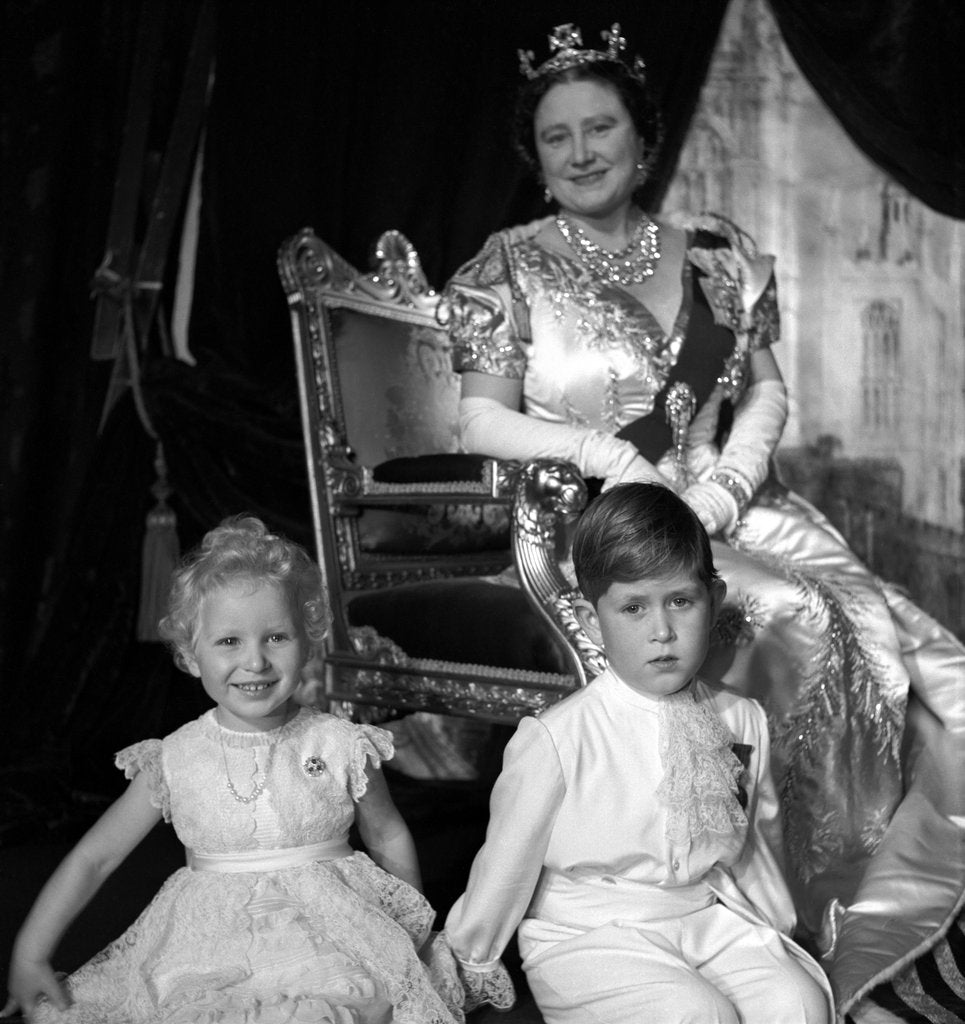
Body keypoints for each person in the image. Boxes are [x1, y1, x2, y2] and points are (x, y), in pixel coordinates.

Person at [441, 21, 965, 1019]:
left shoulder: (717, 254)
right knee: (779, 617)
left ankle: (870, 895)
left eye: (602, 128)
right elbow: (477, 415)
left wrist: (725, 484)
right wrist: (604, 453)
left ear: (644, 138)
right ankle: (797, 903)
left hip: (732, 498)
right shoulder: (504, 266)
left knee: (889, 630)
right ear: (535, 157)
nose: (583, 152)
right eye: (558, 138)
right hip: (603, 518)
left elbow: (764, 392)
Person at [2, 516, 463, 1024]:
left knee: (340, 1005)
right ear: (189, 654)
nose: (256, 661)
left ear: (307, 642)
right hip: (208, 946)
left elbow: (386, 832)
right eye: (228, 642)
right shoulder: (176, 757)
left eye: (276, 637)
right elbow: (95, 857)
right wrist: (31, 952)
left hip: (328, 937)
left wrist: (407, 930)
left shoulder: (339, 743)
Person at [444, 482, 834, 1023]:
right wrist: (468, 961)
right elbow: (505, 866)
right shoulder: (559, 736)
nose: (663, 632)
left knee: (799, 1004)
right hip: (587, 936)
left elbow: (755, 846)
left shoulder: (741, 719)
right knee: (697, 1014)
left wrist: (778, 929)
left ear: (713, 602)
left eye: (680, 601)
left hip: (701, 917)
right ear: (589, 621)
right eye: (633, 607)